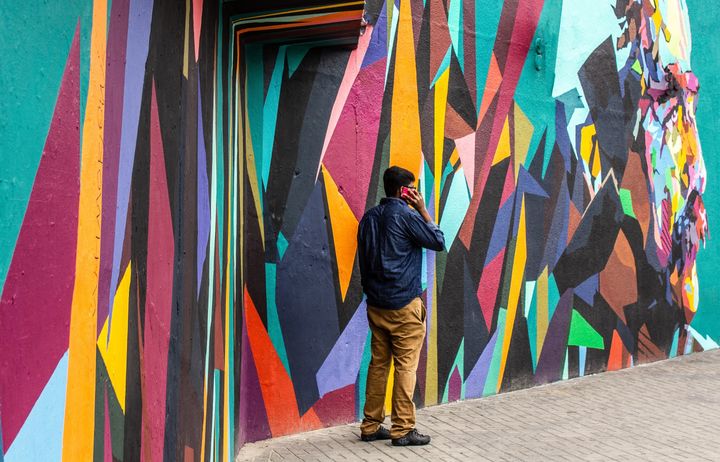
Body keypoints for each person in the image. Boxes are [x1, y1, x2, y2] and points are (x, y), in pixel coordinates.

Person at [357, 166, 446, 446]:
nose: (415, 193)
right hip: (403, 306)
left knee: (379, 365)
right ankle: (403, 429)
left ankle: (370, 425)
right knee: (406, 367)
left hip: (376, 305)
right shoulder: (407, 216)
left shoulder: (368, 218)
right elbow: (438, 240)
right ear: (403, 190)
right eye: (412, 188)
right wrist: (422, 209)